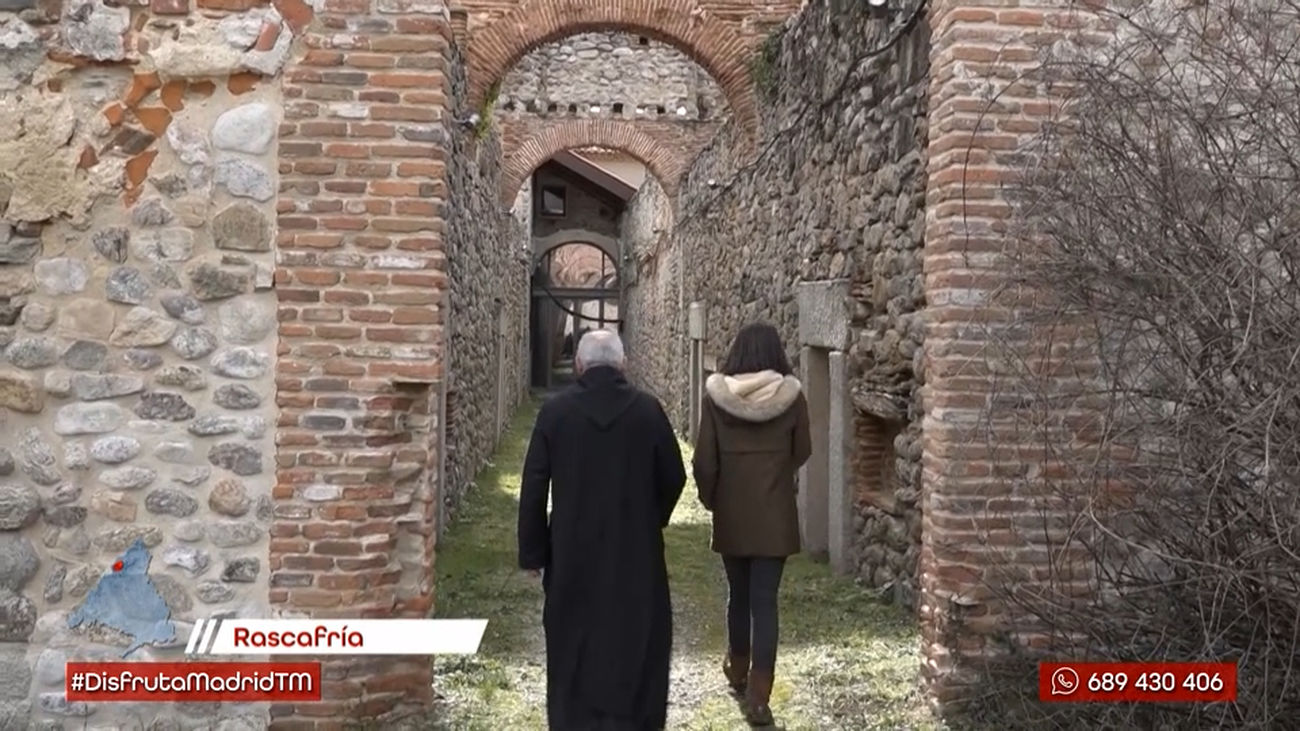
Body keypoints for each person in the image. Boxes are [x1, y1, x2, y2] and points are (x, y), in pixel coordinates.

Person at [519, 329, 687, 730]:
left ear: (578, 365)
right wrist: (652, 518)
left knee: (572, 649)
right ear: (623, 364)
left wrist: (533, 553)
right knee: (639, 648)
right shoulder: (648, 411)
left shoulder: (556, 413)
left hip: (572, 556)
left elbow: (534, 484)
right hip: (637, 558)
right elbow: (675, 476)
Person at [691, 322, 811, 726]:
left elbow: (705, 460)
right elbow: (803, 451)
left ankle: (737, 668)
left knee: (737, 596)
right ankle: (759, 695)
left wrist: (713, 499)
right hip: (775, 515)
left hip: (732, 514)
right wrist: (775, 475)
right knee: (766, 602)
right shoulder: (792, 397)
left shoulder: (716, 398)